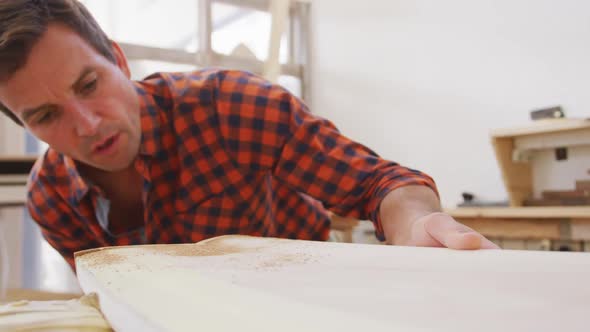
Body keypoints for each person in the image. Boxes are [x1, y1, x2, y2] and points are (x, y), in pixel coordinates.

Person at [0, 0, 498, 269]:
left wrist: (417, 225)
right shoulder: (51, 201)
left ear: (118, 59)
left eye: (89, 84)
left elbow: (380, 184)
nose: (87, 125)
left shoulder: (231, 107)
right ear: (23, 125)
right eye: (45, 116)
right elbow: (109, 298)